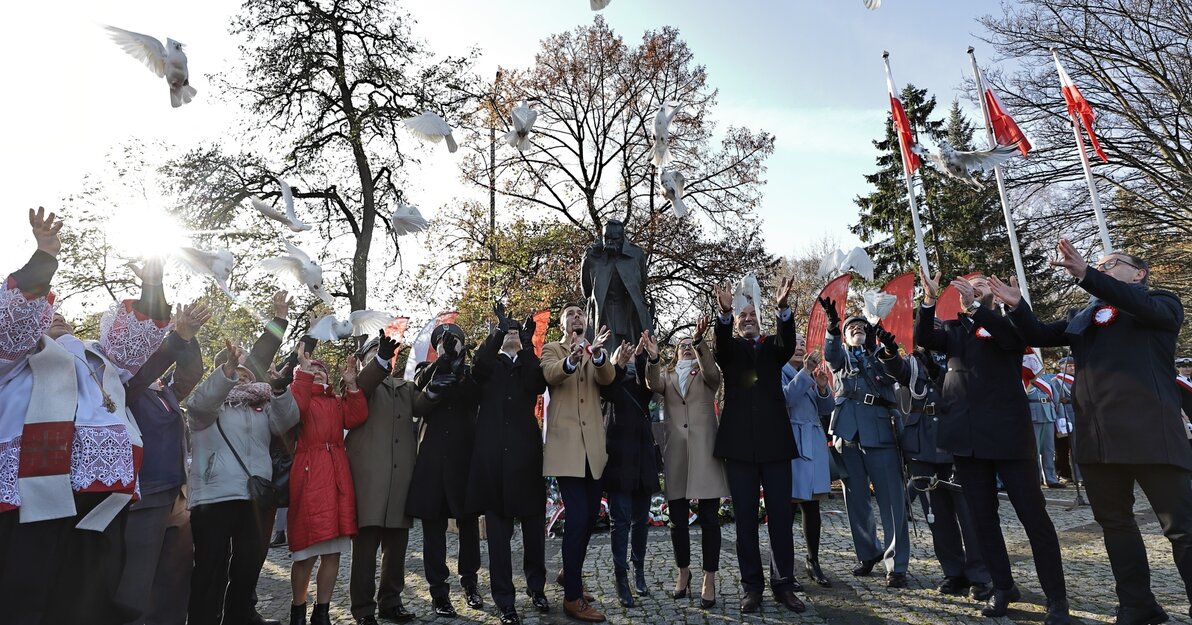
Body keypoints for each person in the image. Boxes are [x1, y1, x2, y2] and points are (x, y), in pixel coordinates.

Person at [991, 241, 1192, 624]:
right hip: (1099, 439)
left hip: (1152, 434)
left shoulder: (1161, 302)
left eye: (1111, 263)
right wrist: (1017, 306)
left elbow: (1133, 303)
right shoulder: (1085, 315)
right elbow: (1040, 333)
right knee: (1116, 526)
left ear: (1138, 273)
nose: (1101, 267)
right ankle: (1137, 605)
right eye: (1097, 264)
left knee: (1181, 529)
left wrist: (1087, 274)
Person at [0, 210, 173, 625]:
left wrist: (153, 282)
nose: (56, 316)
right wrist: (44, 256)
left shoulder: (98, 356)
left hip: (97, 488)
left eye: (62, 315)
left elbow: (138, 338)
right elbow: (17, 319)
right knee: (27, 589)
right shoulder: (15, 356)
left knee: (90, 592)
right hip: (32, 486)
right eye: (49, 313)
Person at [915, 271, 1069, 624]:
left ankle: (1056, 598)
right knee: (983, 520)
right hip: (967, 440)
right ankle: (1003, 587)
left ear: (995, 294)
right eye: (973, 284)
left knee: (1035, 519)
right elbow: (924, 337)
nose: (975, 286)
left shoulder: (1009, 325)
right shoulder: (955, 329)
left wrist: (980, 306)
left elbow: (1010, 338)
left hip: (1008, 438)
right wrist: (928, 301)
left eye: (983, 283)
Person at [186, 325, 299, 625]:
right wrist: (228, 372)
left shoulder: (261, 407)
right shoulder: (209, 406)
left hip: (254, 498)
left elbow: (287, 420)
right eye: (238, 371)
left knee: (247, 568)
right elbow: (200, 403)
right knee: (211, 570)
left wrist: (278, 390)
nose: (245, 375)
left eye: (248, 372)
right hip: (215, 497)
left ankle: (239, 618)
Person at [876, 324, 992, 601]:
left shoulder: (960, 358)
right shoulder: (914, 362)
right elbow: (899, 373)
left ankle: (979, 575)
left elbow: (963, 392)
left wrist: (936, 368)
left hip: (956, 442)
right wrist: (890, 352)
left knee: (968, 514)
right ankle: (953, 572)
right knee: (937, 517)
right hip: (923, 445)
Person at [710, 275, 805, 614]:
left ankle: (784, 585)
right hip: (739, 448)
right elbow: (720, 346)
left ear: (760, 320)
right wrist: (723, 315)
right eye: (742, 316)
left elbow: (787, 339)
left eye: (753, 315)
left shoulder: (772, 349)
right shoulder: (730, 351)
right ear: (736, 324)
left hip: (775, 446)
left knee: (780, 517)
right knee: (745, 521)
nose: (748, 319)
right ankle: (752, 587)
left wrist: (783, 308)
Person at [116, 301, 211, 625]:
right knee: (138, 586)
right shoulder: (124, 382)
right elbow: (141, 374)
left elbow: (191, 373)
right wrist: (176, 339)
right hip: (144, 494)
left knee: (175, 578)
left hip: (176, 493)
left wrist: (188, 339)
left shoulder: (163, 388)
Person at [465, 306, 550, 625]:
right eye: (507, 332)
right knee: (498, 537)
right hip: (492, 463)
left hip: (526, 459)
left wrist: (528, 344)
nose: (512, 333)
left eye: (516, 330)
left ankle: (536, 588)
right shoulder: (489, 364)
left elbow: (538, 384)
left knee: (533, 531)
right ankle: (505, 601)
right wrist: (499, 332)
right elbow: (477, 367)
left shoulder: (527, 363)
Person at [818, 303, 910, 588]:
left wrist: (887, 347)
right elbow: (830, 353)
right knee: (856, 500)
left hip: (881, 431)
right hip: (847, 435)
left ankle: (896, 565)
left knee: (892, 501)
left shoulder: (881, 357)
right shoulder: (841, 358)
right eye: (851, 328)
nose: (856, 330)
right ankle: (867, 553)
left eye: (861, 328)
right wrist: (833, 327)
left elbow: (897, 371)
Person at [644, 318, 727, 609]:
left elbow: (714, 376)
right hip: (676, 452)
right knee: (678, 520)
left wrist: (701, 340)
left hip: (706, 451)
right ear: (675, 353)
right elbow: (652, 383)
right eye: (682, 346)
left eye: (691, 345)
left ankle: (709, 579)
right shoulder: (666, 376)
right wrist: (653, 358)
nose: (687, 348)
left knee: (709, 520)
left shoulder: (705, 373)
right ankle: (683, 573)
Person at [540, 304, 615, 623]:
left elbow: (608, 379)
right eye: (570, 314)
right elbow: (551, 374)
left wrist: (598, 356)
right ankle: (572, 598)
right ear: (563, 322)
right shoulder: (551, 348)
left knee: (586, 520)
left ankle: (568, 575)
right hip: (566, 449)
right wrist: (571, 358)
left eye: (580, 314)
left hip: (594, 450)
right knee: (578, 516)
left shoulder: (596, 348)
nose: (576, 317)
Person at [407, 323, 484, 618]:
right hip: (433, 461)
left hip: (464, 459)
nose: (448, 346)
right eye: (442, 341)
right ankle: (439, 592)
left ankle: (470, 583)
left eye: (453, 342)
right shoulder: (426, 368)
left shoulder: (470, 371)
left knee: (468, 526)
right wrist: (440, 362)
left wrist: (459, 367)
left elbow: (476, 397)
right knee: (434, 530)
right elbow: (418, 399)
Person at [286, 349, 367, 625]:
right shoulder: (300, 396)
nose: (318, 371)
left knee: (332, 551)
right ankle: (298, 610)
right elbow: (295, 409)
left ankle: (322, 612)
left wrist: (353, 385)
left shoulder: (335, 401)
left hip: (336, 476)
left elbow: (356, 417)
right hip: (310, 474)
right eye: (313, 369)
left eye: (321, 369)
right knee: (306, 552)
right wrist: (303, 375)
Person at [348, 331, 420, 625]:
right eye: (376, 351)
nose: (384, 354)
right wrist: (377, 361)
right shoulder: (356, 384)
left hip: (400, 480)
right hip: (369, 482)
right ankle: (363, 609)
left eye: (387, 352)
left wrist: (439, 387)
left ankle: (390, 602)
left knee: (397, 546)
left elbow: (424, 404)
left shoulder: (406, 387)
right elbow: (363, 387)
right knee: (365, 551)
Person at [600, 339, 661, 609]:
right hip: (618, 460)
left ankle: (638, 571)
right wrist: (618, 364)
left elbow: (650, 388)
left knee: (640, 521)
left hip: (643, 458)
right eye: (623, 354)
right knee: (620, 521)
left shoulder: (641, 384)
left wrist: (641, 358)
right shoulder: (610, 384)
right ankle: (621, 578)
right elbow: (608, 389)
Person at [781, 339, 834, 588]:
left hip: (813, 440)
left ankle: (813, 561)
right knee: (788, 507)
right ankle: (784, 567)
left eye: (803, 342)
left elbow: (827, 408)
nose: (800, 344)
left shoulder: (813, 374)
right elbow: (787, 399)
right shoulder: (779, 370)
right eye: (796, 342)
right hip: (791, 441)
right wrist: (805, 372)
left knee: (812, 507)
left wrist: (823, 388)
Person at [580, 220, 652, 350]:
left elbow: (641, 287)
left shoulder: (636, 254)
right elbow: (586, 290)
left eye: (615, 239)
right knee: (602, 350)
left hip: (629, 310)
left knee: (632, 350)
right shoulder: (591, 255)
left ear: (623, 237)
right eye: (606, 238)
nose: (610, 242)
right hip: (602, 311)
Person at [1025, 359, 1064, 488]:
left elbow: (1057, 400)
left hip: (1049, 416)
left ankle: (1051, 479)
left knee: (1049, 450)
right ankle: (1036, 479)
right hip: (1033, 418)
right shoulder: (1024, 379)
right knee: (1034, 451)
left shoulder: (1046, 380)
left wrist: (1061, 418)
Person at [1048, 357, 1079, 484]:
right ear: (1062, 368)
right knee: (1062, 448)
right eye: (1069, 366)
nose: (1072, 368)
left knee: (1076, 446)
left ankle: (1078, 475)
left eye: (1073, 365)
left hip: (1077, 415)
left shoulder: (1078, 379)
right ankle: (1064, 473)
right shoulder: (1056, 381)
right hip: (1064, 416)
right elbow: (1057, 399)